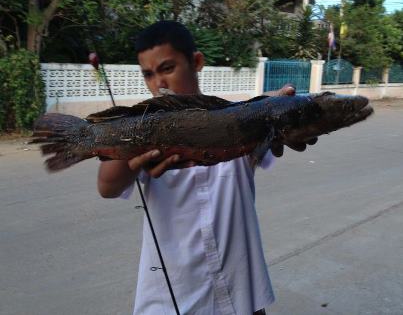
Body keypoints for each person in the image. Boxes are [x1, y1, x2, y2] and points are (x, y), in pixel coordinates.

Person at [97, 21, 296, 315]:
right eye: (148, 75)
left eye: (167, 68)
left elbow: (270, 112)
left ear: (197, 62)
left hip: (241, 294)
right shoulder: (141, 130)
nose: (159, 84)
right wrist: (131, 158)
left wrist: (280, 111)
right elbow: (107, 186)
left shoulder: (236, 122)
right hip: (172, 298)